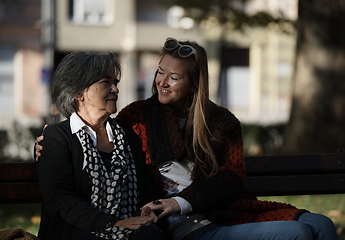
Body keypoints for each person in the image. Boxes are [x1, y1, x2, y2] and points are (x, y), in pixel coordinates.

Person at [36, 38, 339, 240]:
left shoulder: (219, 123)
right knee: (296, 235)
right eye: (159, 73)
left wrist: (180, 202)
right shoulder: (137, 118)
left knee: (322, 225)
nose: (161, 83)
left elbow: (231, 179)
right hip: (182, 225)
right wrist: (48, 141)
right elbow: (86, 135)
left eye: (174, 77)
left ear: (195, 84)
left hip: (217, 211)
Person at [35, 51, 165, 240]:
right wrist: (111, 224)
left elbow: (146, 190)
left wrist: (148, 212)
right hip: (74, 232)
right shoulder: (58, 137)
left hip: (127, 229)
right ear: (78, 92)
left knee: (150, 235)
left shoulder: (127, 137)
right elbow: (60, 200)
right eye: (105, 82)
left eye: (116, 83)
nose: (115, 89)